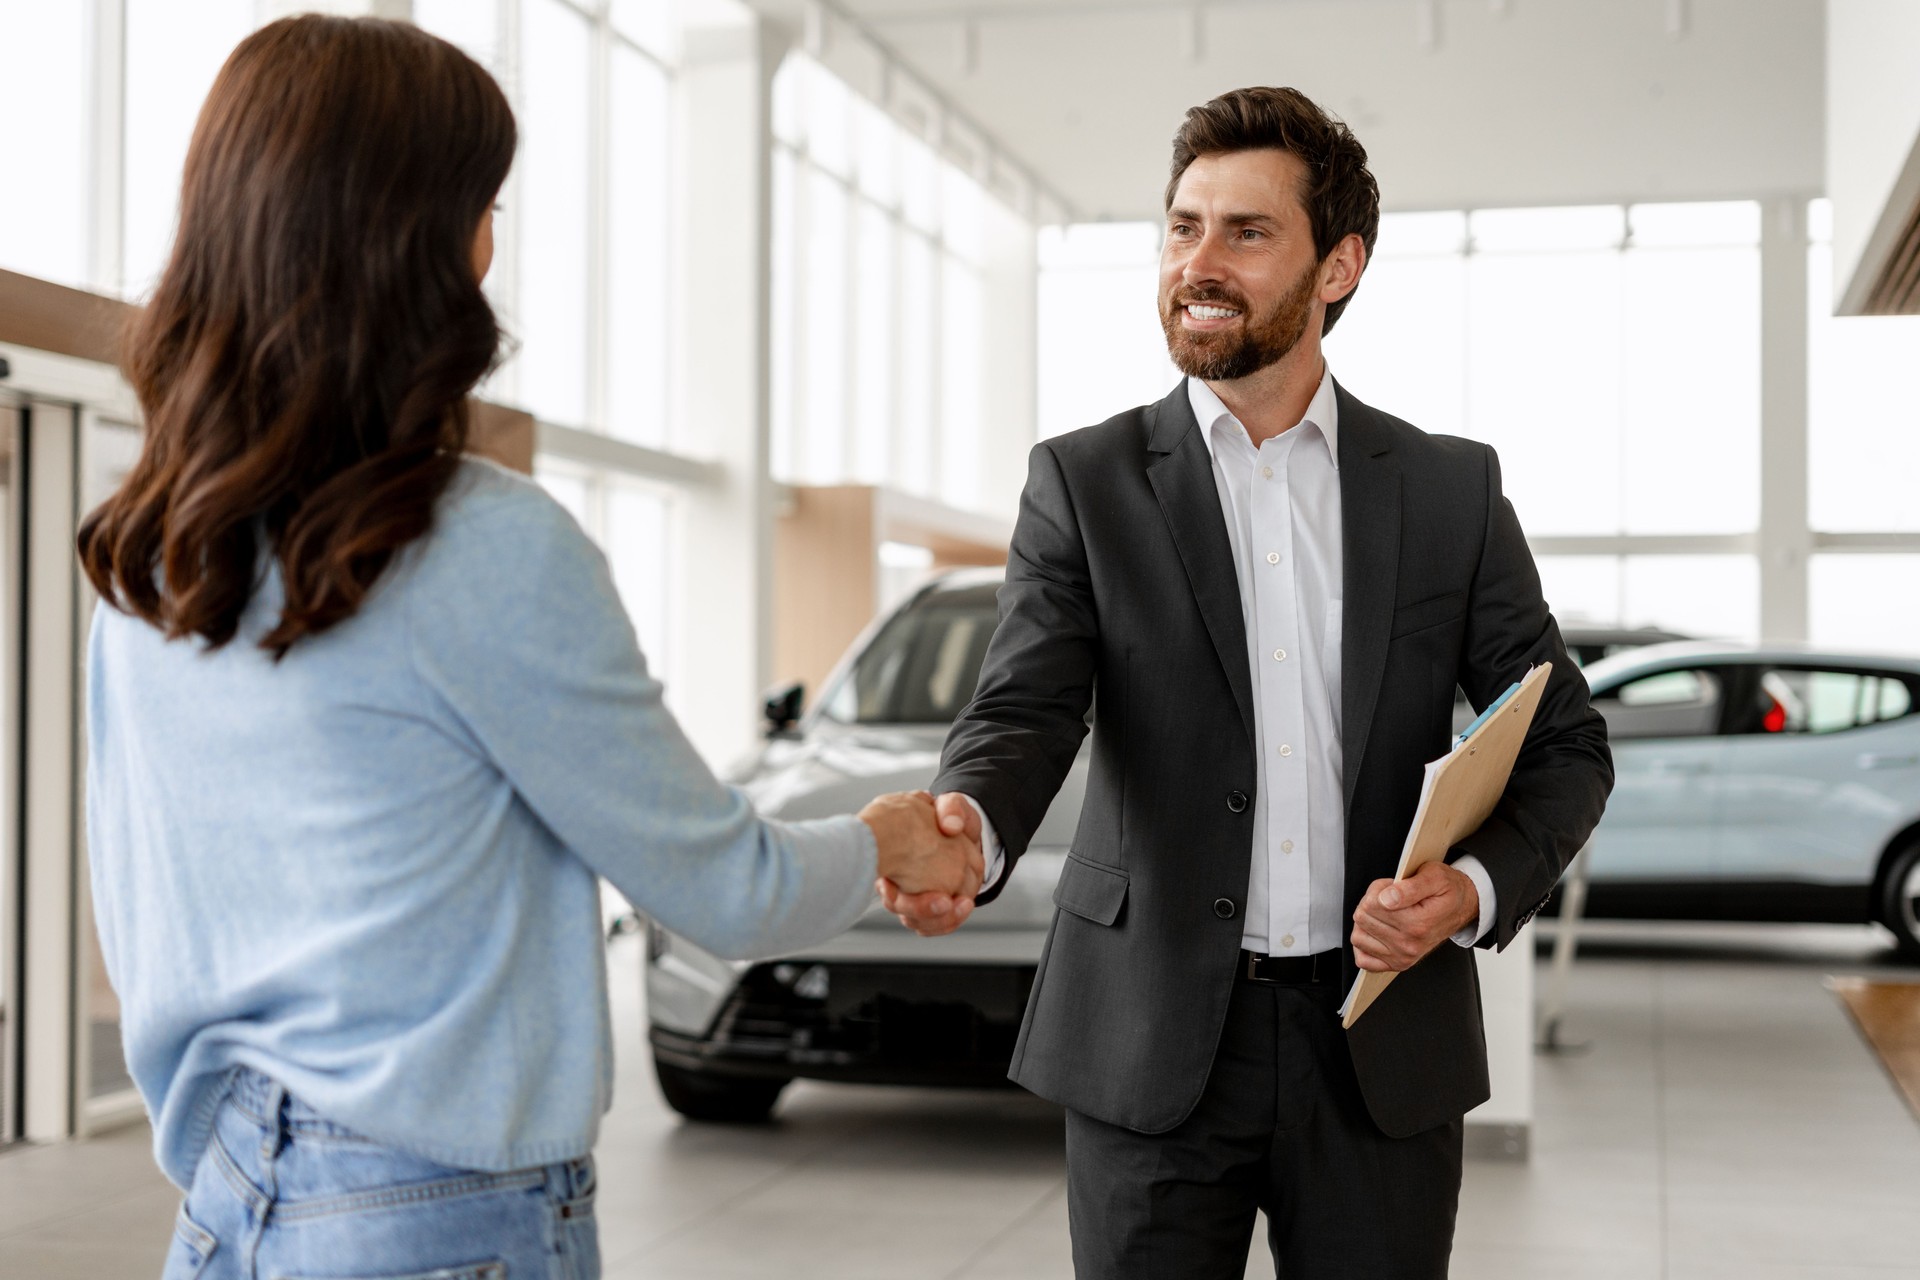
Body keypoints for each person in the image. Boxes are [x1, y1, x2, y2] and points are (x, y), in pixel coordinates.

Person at [77, 17, 980, 1280]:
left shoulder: (153, 556)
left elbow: (143, 916)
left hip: (225, 1206)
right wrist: (888, 840)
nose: (489, 244)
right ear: (421, 242)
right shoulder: (478, 543)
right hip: (432, 1218)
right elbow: (722, 886)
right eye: (482, 206)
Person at [879, 87, 1613, 1277]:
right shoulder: (1085, 481)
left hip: (1379, 1040)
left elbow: (1567, 740)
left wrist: (1470, 888)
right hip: (1147, 1033)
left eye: (1246, 231)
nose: (1198, 263)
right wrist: (969, 821)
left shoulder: (1448, 492)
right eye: (1183, 227)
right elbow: (1024, 707)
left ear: (1339, 266)